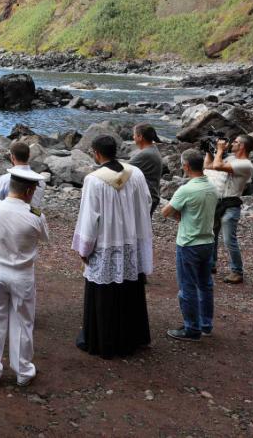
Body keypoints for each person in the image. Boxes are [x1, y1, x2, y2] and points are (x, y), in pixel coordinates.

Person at [71, 135, 154, 358]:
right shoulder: (136, 174)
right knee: (130, 291)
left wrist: (84, 249)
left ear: (96, 153)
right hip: (130, 243)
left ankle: (104, 342)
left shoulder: (94, 180)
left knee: (105, 295)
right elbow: (147, 202)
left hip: (106, 244)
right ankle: (133, 337)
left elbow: (89, 218)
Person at [0, 168, 50, 387]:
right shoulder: (35, 216)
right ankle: (23, 370)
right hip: (22, 273)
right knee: (23, 321)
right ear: (29, 191)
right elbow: (45, 238)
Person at [162, 149, 218, 341]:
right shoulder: (212, 186)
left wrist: (180, 216)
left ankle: (192, 329)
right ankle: (205, 324)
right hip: (208, 241)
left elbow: (166, 211)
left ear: (186, 166)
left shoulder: (186, 189)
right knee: (205, 285)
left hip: (189, 243)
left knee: (187, 288)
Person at [205, 133, 253, 284]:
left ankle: (237, 271)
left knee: (228, 240)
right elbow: (208, 166)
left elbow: (218, 166)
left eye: (236, 142)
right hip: (218, 202)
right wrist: (209, 150)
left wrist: (220, 150)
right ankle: (211, 264)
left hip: (231, 204)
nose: (232, 143)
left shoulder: (245, 164)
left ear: (242, 146)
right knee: (211, 235)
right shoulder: (231, 159)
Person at [0, 142, 46, 208]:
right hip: (31, 213)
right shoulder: (40, 181)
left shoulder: (4, 179)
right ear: (29, 156)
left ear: (12, 157)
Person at [130, 123, 164, 218]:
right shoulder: (152, 148)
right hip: (151, 195)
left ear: (140, 137)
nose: (133, 137)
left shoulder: (146, 153)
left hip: (147, 197)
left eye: (134, 135)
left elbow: (123, 169)